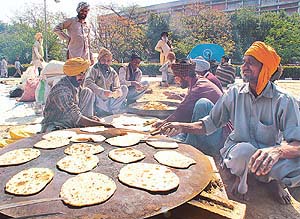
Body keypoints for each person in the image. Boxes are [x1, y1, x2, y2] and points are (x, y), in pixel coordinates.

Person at [158, 41, 300, 204]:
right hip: (239, 153)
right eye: (244, 62)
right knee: (244, 150)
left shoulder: (284, 101)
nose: (244, 66)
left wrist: (278, 151)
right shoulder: (234, 93)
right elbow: (209, 124)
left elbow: (297, 143)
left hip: (267, 157)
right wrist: (181, 126)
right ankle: (241, 177)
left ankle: (274, 182)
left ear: (265, 68)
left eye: (251, 63)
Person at [153, 60, 232, 155]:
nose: (175, 81)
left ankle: (194, 146)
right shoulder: (197, 81)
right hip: (212, 129)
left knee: (202, 104)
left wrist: (164, 123)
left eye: (177, 78)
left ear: (186, 77)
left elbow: (182, 111)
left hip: (220, 135)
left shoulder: (200, 87)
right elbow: (187, 102)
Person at [41, 57, 110, 133]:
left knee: (87, 91)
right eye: (80, 74)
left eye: (84, 73)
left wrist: (89, 118)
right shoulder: (62, 91)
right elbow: (75, 117)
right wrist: (103, 125)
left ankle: (84, 126)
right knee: (57, 134)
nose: (83, 77)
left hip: (70, 122)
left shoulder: (75, 85)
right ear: (71, 74)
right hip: (55, 124)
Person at [83, 48, 128, 116]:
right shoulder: (93, 69)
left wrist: (117, 92)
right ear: (99, 60)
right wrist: (102, 92)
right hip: (98, 100)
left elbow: (117, 87)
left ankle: (111, 110)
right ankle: (105, 111)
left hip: (109, 99)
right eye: (103, 60)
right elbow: (88, 83)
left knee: (124, 88)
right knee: (90, 92)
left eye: (108, 61)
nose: (106, 63)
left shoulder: (112, 72)